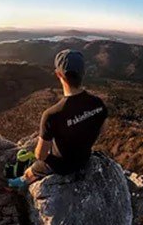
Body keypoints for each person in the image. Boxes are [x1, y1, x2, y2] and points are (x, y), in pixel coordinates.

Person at [8, 49, 108, 189]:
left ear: (58, 74)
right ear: (83, 73)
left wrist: (41, 155)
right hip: (84, 158)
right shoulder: (98, 103)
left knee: (33, 169)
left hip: (63, 166)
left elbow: (40, 155)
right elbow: (102, 130)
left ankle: (19, 183)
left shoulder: (52, 115)